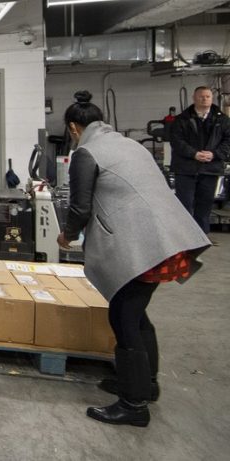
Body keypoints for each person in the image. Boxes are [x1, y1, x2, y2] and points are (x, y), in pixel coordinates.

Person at [57, 90, 210, 428]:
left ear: (74, 128)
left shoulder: (87, 151)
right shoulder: (128, 143)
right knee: (135, 313)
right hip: (166, 238)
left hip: (142, 246)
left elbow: (80, 207)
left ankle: (133, 404)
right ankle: (145, 384)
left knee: (124, 317)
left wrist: (66, 236)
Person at [169, 86, 230, 241]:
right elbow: (177, 141)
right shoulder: (181, 120)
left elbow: (228, 141)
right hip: (186, 168)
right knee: (185, 203)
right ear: (194, 98)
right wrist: (194, 154)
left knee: (205, 203)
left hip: (210, 168)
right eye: (201, 96)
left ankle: (202, 236)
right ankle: (184, 236)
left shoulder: (222, 120)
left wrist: (214, 154)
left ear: (212, 99)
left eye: (208, 96)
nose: (205, 99)